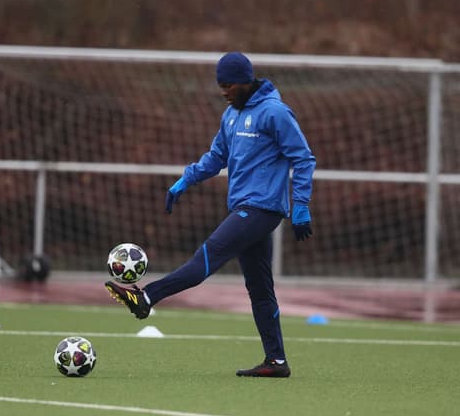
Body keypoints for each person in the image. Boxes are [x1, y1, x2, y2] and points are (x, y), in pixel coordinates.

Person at [105, 51, 316, 378]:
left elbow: (303, 158)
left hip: (261, 209)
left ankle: (147, 296)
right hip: (244, 208)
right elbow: (216, 156)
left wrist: (300, 204)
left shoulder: (274, 112)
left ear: (245, 81)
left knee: (207, 256)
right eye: (220, 85)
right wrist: (184, 181)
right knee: (259, 289)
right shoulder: (230, 116)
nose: (224, 91)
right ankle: (276, 361)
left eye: (228, 84)